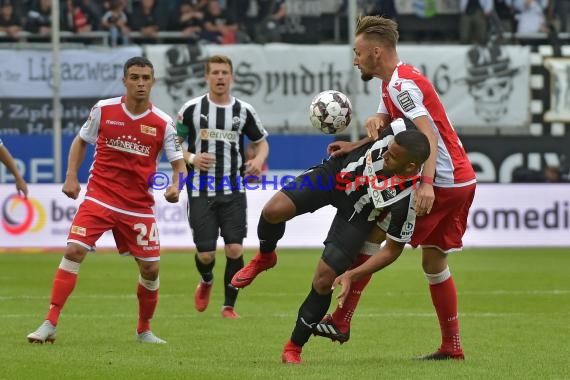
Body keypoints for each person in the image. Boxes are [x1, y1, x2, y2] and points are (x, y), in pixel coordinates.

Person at [312, 15, 477, 361]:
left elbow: (427, 134)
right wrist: (354, 144)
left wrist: (428, 184)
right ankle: (453, 346)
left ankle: (341, 319)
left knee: (374, 233)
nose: (355, 60)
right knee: (434, 264)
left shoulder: (401, 85)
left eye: (357, 53)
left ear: (375, 51)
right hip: (463, 180)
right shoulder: (394, 83)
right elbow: (388, 126)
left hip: (443, 182)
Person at [231, 118, 431, 364]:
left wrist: (352, 274)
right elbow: (383, 130)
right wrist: (355, 144)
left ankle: (293, 348)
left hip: (356, 215)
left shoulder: (408, 199)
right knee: (273, 211)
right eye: (387, 148)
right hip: (334, 175)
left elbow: (392, 251)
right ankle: (265, 256)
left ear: (411, 166)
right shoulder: (402, 130)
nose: (385, 154)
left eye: (392, 156)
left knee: (324, 280)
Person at [26, 56, 187, 344]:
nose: (140, 83)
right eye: (135, 77)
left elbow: (179, 166)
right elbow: (80, 141)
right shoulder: (103, 110)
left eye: (146, 78)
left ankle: (144, 329)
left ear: (153, 82)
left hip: (138, 206)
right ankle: (49, 322)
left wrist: (177, 187)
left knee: (150, 269)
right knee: (74, 250)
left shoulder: (163, 123)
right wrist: (71, 176)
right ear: (124, 80)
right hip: (100, 197)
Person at [176, 54, 269, 319]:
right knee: (206, 255)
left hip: (234, 190)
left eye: (224, 72)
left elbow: (262, 142)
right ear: (206, 77)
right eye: (214, 72)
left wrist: (258, 160)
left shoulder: (244, 111)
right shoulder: (192, 109)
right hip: (199, 190)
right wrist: (192, 158)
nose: (219, 77)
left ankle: (229, 306)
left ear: (232, 77)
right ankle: (206, 281)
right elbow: (172, 144)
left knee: (235, 249)